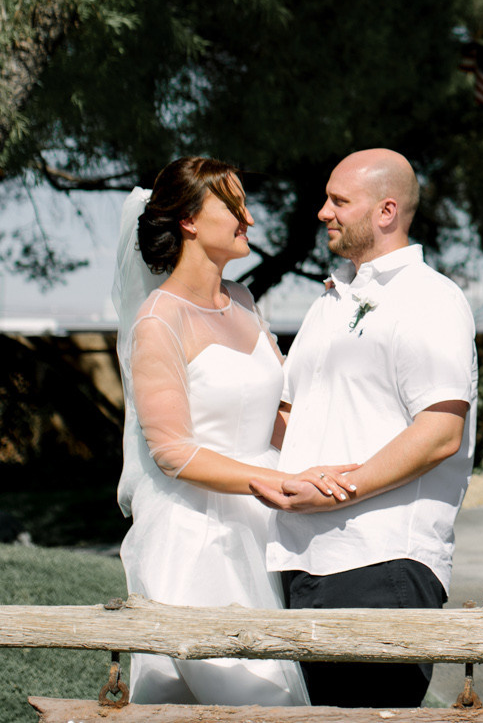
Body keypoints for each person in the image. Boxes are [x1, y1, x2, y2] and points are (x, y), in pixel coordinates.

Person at [251, 148, 477, 709]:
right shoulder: (328, 304)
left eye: (338, 201)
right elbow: (292, 419)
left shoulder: (430, 299)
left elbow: (441, 430)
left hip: (381, 564)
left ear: (386, 211)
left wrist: (336, 492)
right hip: (302, 565)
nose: (323, 212)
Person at [113, 158, 309, 706]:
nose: (249, 217)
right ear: (190, 221)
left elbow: (277, 415)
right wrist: (267, 482)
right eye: (234, 205)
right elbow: (172, 451)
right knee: (254, 698)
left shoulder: (244, 301)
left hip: (266, 524)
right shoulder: (159, 321)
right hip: (199, 534)